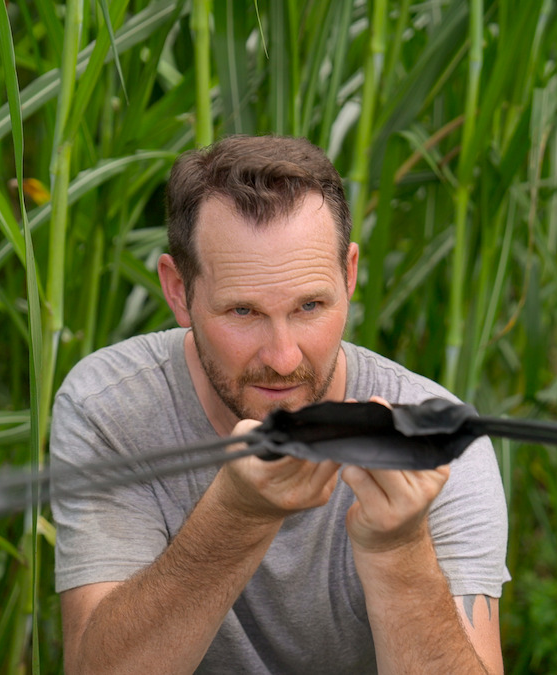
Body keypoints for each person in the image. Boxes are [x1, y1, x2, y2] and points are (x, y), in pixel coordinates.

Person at [50, 135, 509, 674]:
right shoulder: (112, 408)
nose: (285, 358)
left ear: (350, 274)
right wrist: (237, 517)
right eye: (243, 312)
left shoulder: (437, 441)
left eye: (310, 305)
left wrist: (399, 550)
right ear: (179, 291)